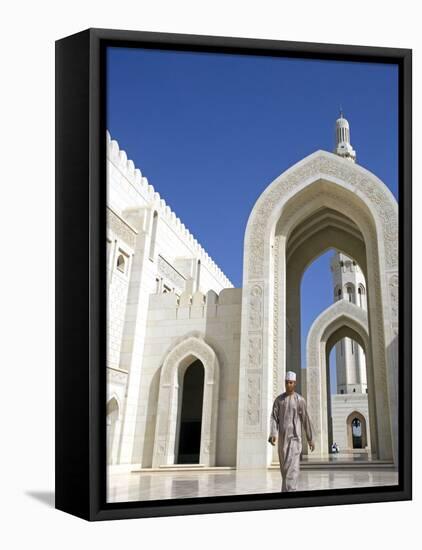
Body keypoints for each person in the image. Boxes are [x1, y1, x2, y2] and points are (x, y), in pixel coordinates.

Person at [268, 371, 315, 492]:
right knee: (285, 470)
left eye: (291, 383)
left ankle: (290, 495)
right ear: (285, 383)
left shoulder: (300, 400)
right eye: (287, 382)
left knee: (292, 470)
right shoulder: (279, 400)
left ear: (295, 383)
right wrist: (273, 433)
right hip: (283, 440)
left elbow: (306, 419)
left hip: (295, 439)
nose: (289, 385)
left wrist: (310, 438)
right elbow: (274, 417)